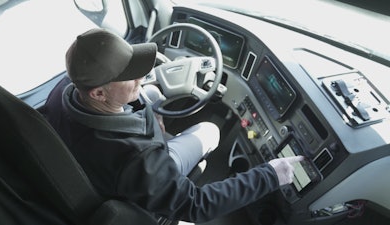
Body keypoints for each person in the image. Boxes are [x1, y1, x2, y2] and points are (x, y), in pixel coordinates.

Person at [42, 28, 304, 223]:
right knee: (210, 131)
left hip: (98, 165)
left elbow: (138, 99)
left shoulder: (63, 91)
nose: (142, 76)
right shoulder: (139, 160)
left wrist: (147, 107)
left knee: (152, 95)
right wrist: (270, 174)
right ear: (99, 93)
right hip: (141, 178)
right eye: (129, 76)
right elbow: (197, 205)